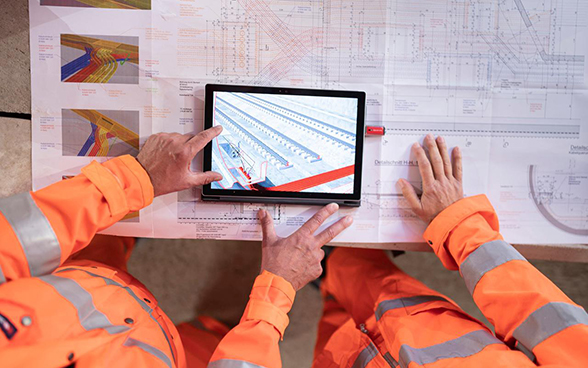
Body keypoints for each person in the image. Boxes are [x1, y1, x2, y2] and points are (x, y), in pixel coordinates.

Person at [0, 128, 586, 367]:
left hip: (74, 274)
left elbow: (14, 237)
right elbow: (548, 319)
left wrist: (135, 184)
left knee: (108, 243)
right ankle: (340, 273)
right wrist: (270, 300)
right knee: (363, 277)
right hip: (407, 319)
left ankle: (226, 315)